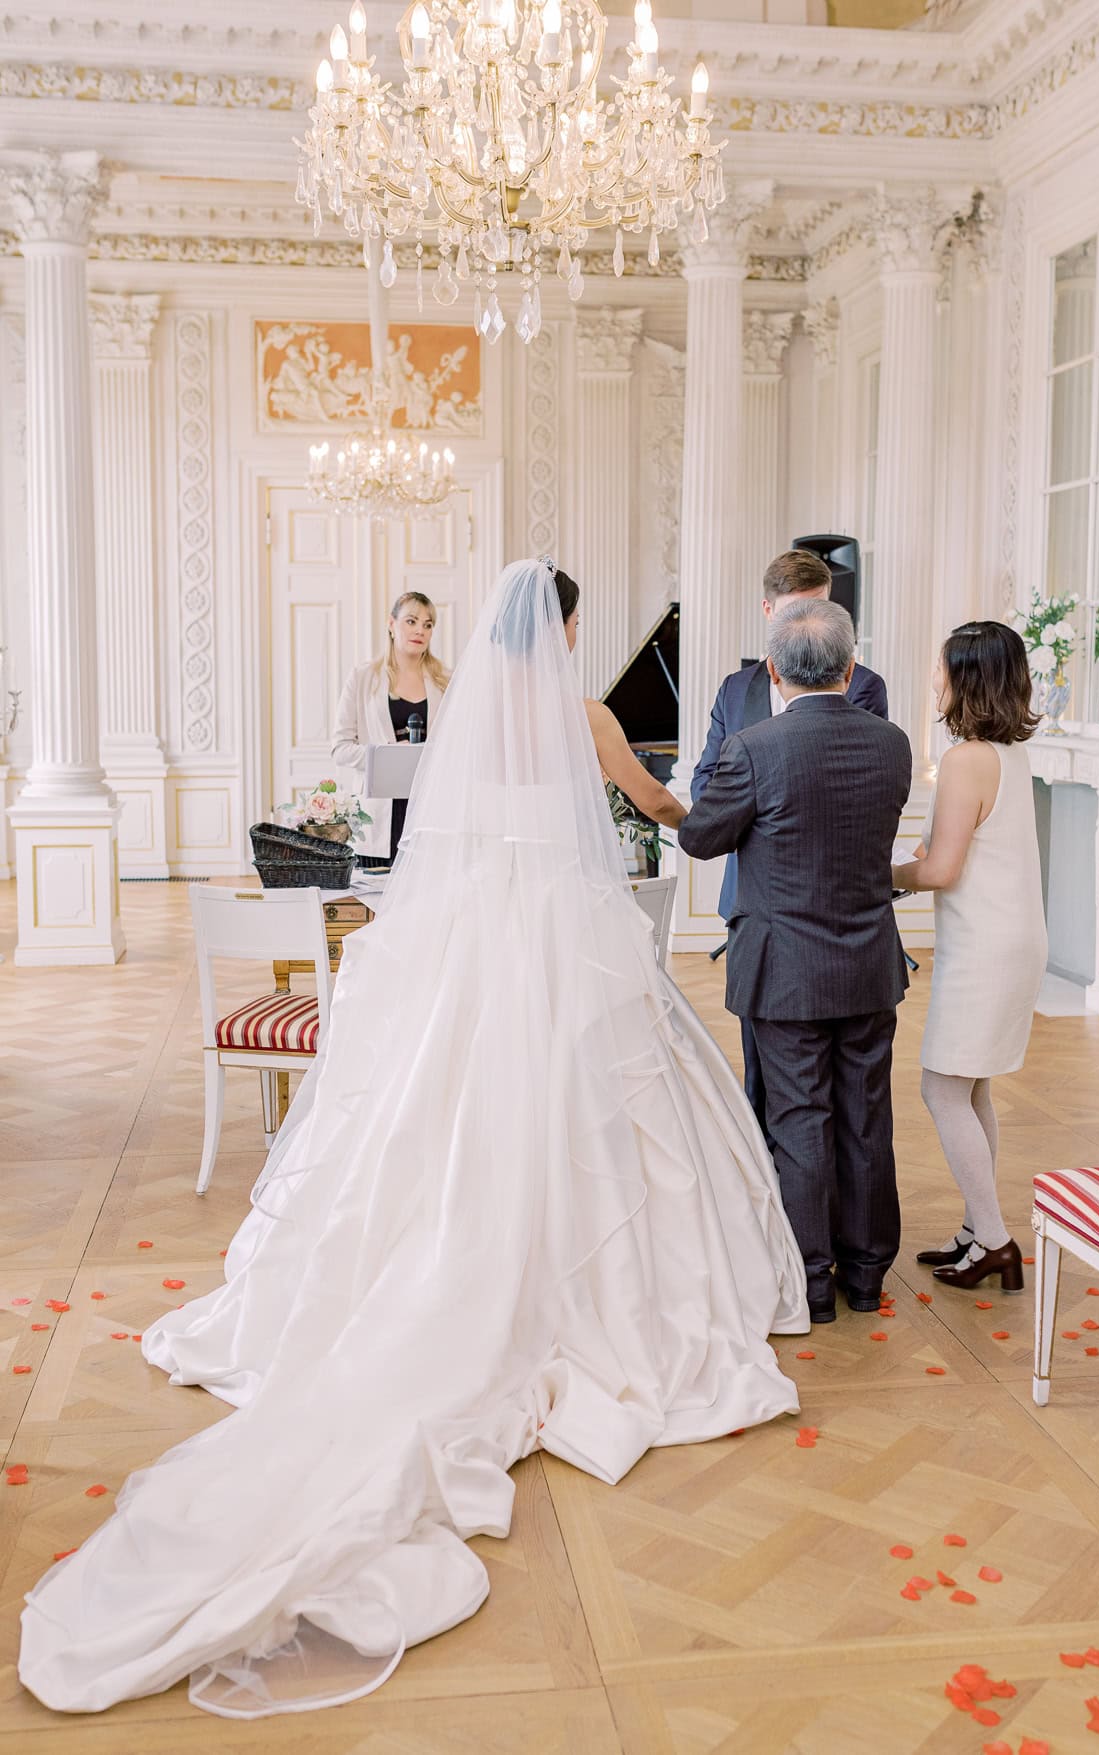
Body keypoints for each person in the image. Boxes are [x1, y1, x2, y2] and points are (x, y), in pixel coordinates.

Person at [19, 560, 809, 1720]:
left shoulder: (465, 718)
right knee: (602, 1120)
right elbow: (654, 809)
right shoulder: (582, 715)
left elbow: (442, 838)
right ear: (570, 627)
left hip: (469, 949)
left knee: (433, 1115)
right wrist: (711, 803)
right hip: (564, 945)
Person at [681, 598, 911, 1324]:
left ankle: (813, 1278)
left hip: (785, 968)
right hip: (869, 960)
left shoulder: (754, 748)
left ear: (773, 670)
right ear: (850, 667)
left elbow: (700, 837)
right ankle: (869, 1273)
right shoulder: (894, 744)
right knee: (867, 1116)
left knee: (800, 1116)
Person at [693, 549, 889, 1138]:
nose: (811, 628)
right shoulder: (736, 689)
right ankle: (775, 1204)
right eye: (795, 614)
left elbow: (857, 787)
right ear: (767, 611)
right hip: (761, 910)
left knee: (850, 1100)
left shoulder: (865, 685)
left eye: (822, 610)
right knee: (766, 1081)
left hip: (843, 906)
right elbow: (707, 783)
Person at [892, 621, 1047, 1294]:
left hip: (985, 947)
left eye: (940, 666)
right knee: (972, 1082)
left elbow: (941, 869)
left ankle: (995, 1239)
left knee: (941, 1086)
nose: (933, 677)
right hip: (1011, 940)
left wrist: (880, 870)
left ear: (966, 679)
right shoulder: (1009, 755)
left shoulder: (965, 760)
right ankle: (973, 1227)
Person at [331, 591, 450, 867]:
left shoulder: (446, 681)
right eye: (411, 621)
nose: (420, 630)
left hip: (428, 810)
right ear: (391, 624)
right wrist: (388, 756)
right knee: (377, 905)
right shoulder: (362, 679)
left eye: (428, 624)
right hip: (377, 815)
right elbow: (340, 749)